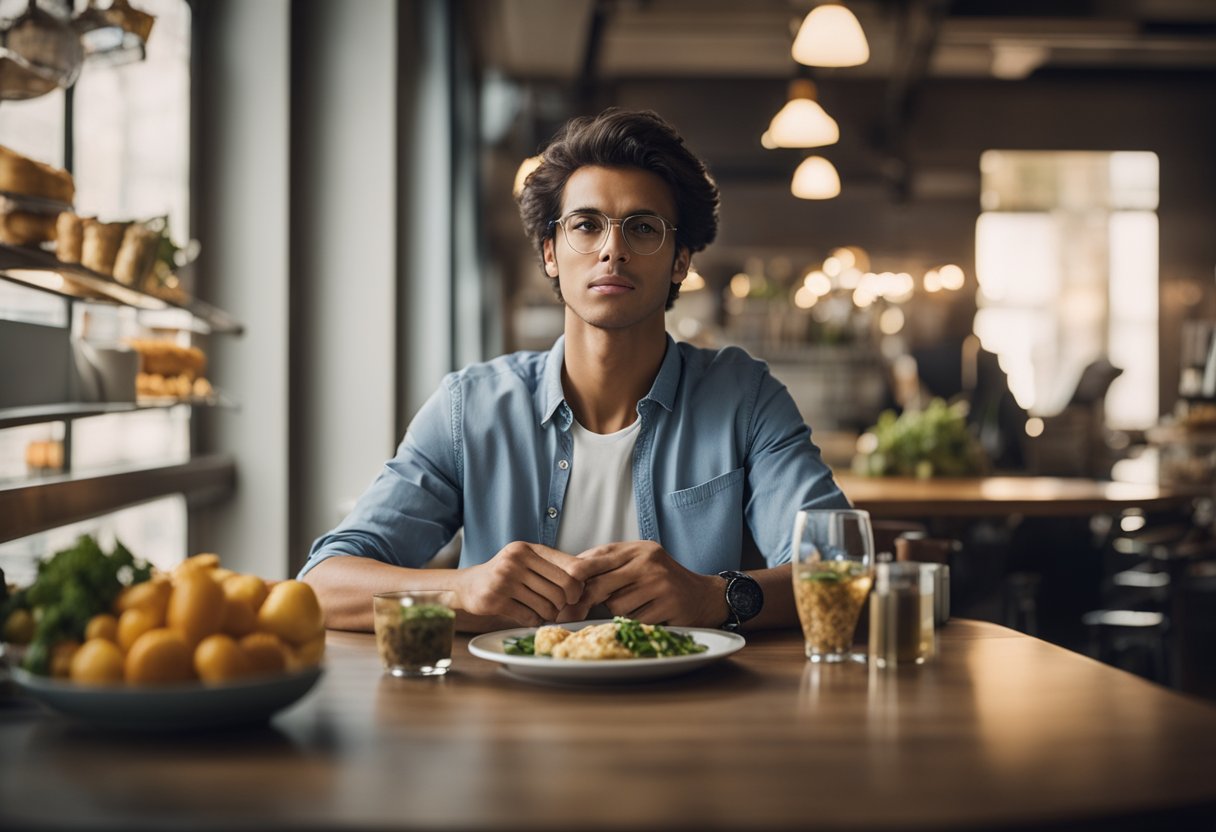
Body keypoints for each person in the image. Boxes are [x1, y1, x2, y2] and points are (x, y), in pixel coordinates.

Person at [301, 108, 849, 633]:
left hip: (692, 713)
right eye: (586, 225)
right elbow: (323, 584)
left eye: (642, 228)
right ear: (550, 253)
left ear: (681, 259)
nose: (613, 250)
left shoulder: (744, 400)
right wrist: (461, 591)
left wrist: (714, 596)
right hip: (506, 714)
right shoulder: (470, 409)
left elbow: (845, 573)